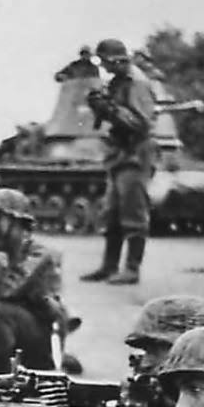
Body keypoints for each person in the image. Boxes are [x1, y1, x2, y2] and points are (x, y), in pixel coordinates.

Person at [0, 187, 78, 374]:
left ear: (16, 222)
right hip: (17, 333)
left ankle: (4, 377)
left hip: (43, 334)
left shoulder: (40, 254)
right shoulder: (2, 250)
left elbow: (6, 290)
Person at [81, 38, 157, 285]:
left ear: (116, 59)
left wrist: (111, 110)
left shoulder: (137, 83)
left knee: (133, 212)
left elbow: (142, 122)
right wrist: (101, 107)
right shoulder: (117, 82)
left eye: (104, 61)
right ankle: (109, 267)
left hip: (135, 152)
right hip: (119, 152)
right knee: (111, 213)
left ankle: (132, 270)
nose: (103, 67)